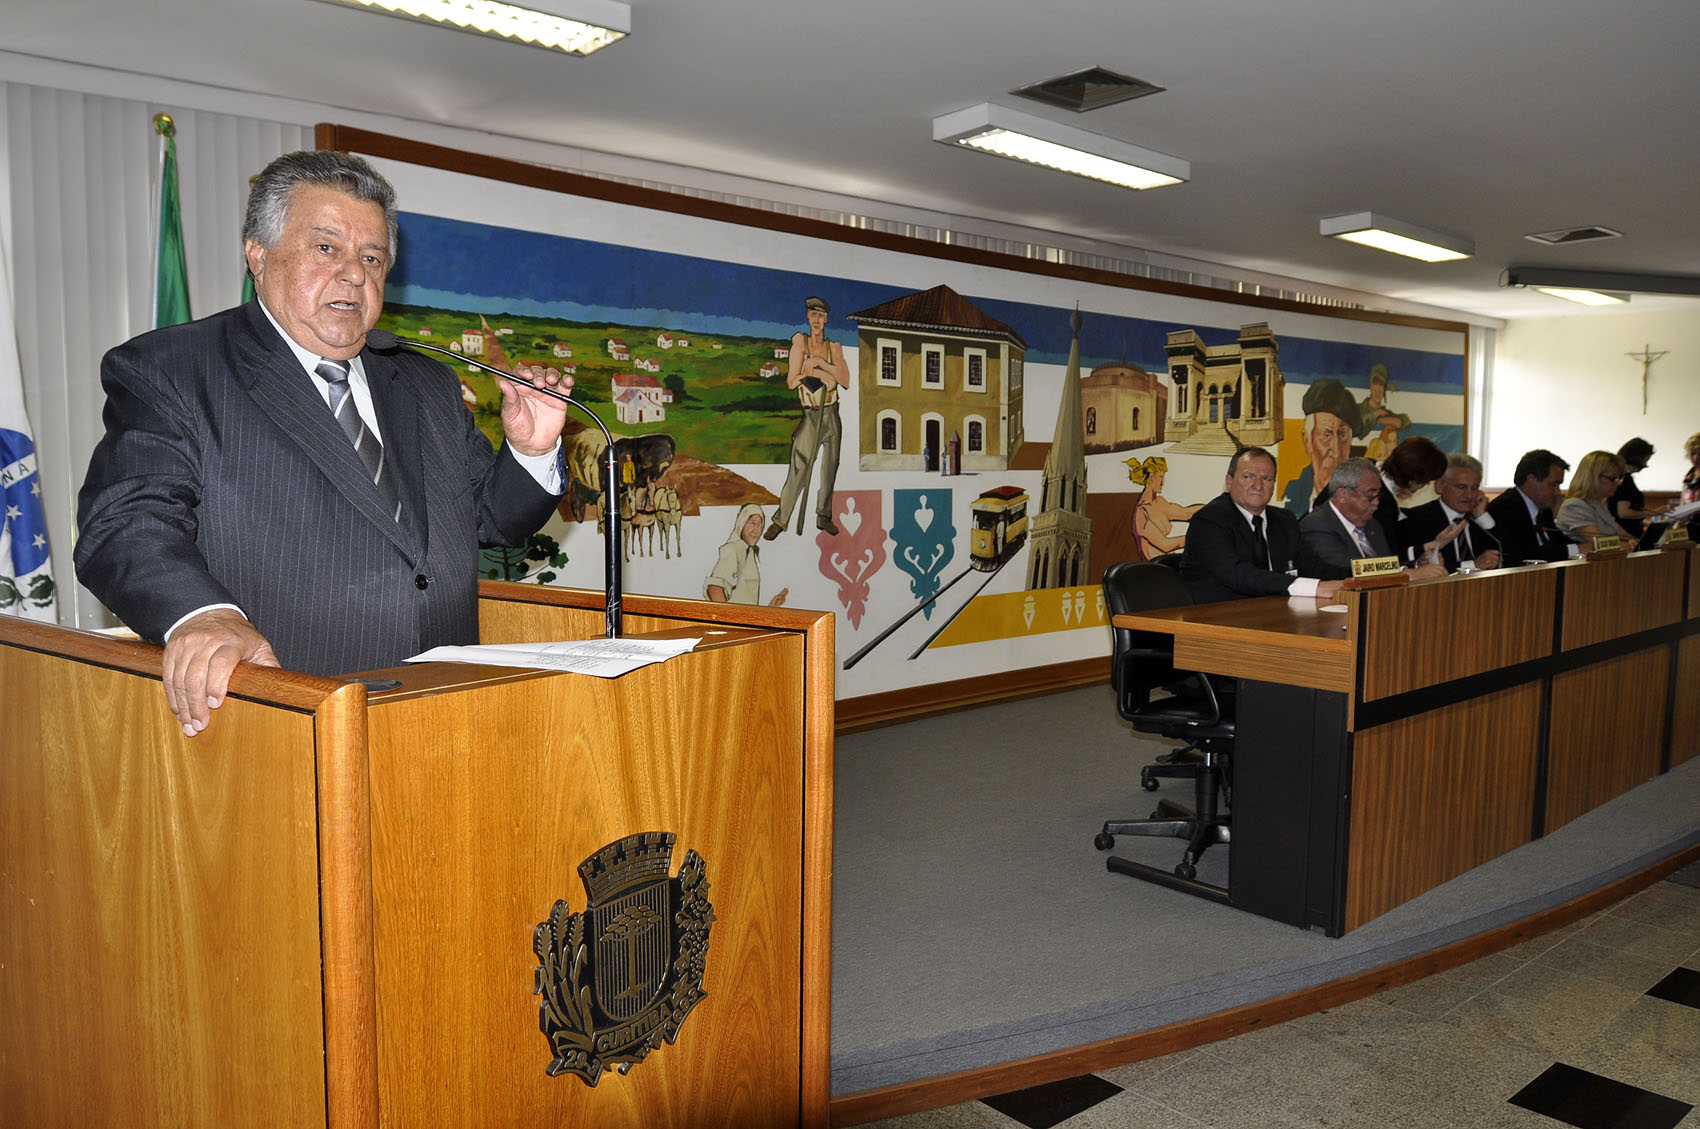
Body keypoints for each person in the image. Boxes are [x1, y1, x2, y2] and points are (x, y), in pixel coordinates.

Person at [75, 150, 569, 737]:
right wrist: (204, 617)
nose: (355, 274)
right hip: (285, 718)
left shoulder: (424, 381)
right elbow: (126, 522)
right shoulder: (175, 370)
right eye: (327, 248)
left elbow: (488, 520)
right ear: (258, 254)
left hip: (442, 716)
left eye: (372, 257)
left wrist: (531, 451)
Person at [1181, 446, 1345, 603]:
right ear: (1229, 481)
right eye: (1248, 477)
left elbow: (1315, 567)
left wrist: (1359, 577)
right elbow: (1239, 574)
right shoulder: (1209, 520)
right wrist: (1313, 587)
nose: (1258, 486)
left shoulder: (1284, 520)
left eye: (1266, 479)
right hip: (1218, 619)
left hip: (1278, 614)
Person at [765, 296, 850, 539]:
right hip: (811, 413)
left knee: (830, 467)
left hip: (831, 412)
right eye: (813, 315)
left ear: (826, 319)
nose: (817, 320)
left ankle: (823, 516)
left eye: (821, 316)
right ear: (807, 317)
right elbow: (792, 381)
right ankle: (781, 520)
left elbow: (845, 380)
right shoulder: (800, 343)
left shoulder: (833, 347)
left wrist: (819, 363)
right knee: (799, 466)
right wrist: (813, 373)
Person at [1297, 458, 1449, 581]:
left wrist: (1416, 564)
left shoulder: (1371, 524)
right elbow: (1347, 568)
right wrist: (1404, 573)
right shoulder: (1316, 524)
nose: (1376, 503)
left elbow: (1383, 563)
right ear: (1343, 495)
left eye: (1378, 495)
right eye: (1370, 496)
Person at [1396, 454, 1503, 572]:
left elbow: (1508, 556)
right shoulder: (1417, 519)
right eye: (1461, 487)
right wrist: (1473, 565)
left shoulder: (1478, 520)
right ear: (1440, 486)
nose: (1469, 495)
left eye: (1474, 488)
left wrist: (1482, 516)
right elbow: (1422, 568)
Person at [1281, 378, 1356, 513]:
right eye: (1326, 436)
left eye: (1343, 435)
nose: (1336, 451)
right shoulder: (1293, 496)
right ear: (1307, 441)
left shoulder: (1362, 499)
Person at [1485, 449, 1573, 564]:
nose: (1558, 492)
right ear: (1531, 480)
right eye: (1554, 484)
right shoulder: (1505, 507)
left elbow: (1558, 541)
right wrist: (1576, 549)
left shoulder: (1543, 509)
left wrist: (1588, 547)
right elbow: (1528, 554)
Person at [706, 503, 787, 606]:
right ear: (742, 523)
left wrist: (771, 607)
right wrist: (728, 620)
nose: (756, 530)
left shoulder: (749, 553)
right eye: (753, 523)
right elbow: (715, 588)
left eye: (759, 525)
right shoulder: (732, 550)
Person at [1556, 449, 1637, 546]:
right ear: (1592, 477)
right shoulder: (1574, 505)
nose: (1618, 483)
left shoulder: (1598, 504)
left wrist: (1636, 542)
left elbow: (1625, 536)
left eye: (1619, 478)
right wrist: (1627, 545)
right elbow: (1599, 542)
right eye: (1613, 478)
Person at [1126, 456, 1202, 559]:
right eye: (1161, 477)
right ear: (1152, 477)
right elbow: (1165, 545)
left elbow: (1185, 513)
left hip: (1170, 562)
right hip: (1156, 568)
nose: (1163, 482)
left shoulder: (1160, 502)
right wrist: (1201, 538)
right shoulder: (1142, 512)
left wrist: (1214, 507)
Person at [1612, 437, 1663, 537]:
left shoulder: (1624, 478)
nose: (1646, 465)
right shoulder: (1624, 479)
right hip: (1628, 536)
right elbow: (1624, 513)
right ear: (1637, 457)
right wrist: (1655, 512)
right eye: (1645, 460)